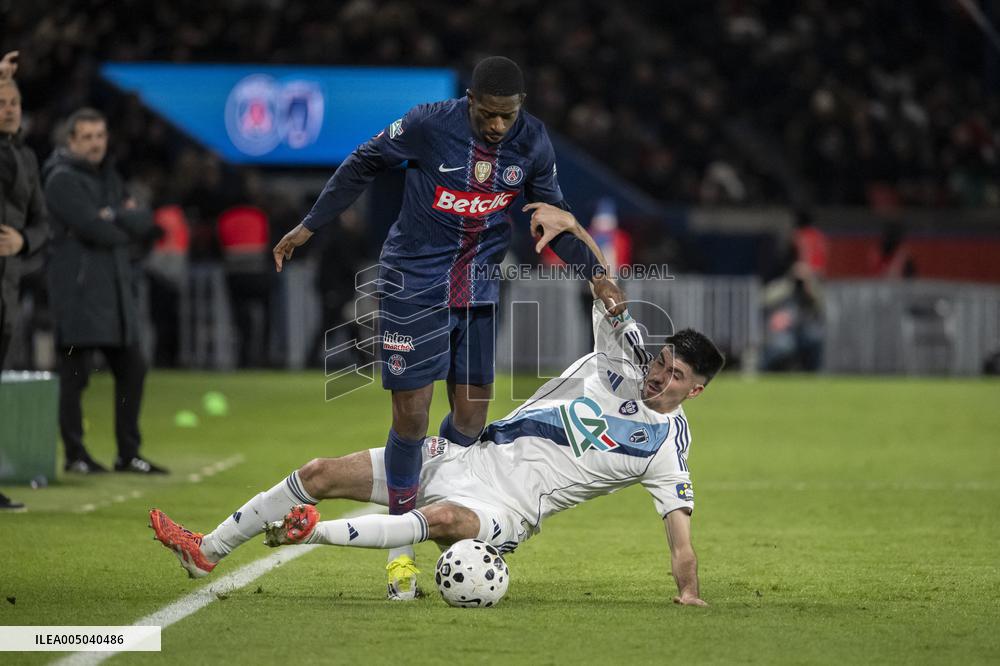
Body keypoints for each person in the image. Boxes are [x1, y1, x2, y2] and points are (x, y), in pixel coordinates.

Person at [149, 263, 724, 606]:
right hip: (465, 455)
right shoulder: (620, 356)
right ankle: (207, 550)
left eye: (676, 377)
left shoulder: (665, 446)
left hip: (507, 512)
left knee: (445, 520)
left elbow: (680, 535)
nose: (660, 377)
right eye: (664, 362)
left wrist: (690, 589)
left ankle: (308, 535)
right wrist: (587, 254)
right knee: (320, 472)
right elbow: (603, 288)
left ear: (694, 392)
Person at [271, 56, 623, 597]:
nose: (498, 126)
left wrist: (596, 276)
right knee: (411, 420)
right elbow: (363, 162)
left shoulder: (534, 142)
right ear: (470, 101)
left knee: (470, 416)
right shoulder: (428, 124)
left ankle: (437, 514)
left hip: (480, 286)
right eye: (488, 114)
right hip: (414, 282)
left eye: (507, 116)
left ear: (520, 107)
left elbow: (554, 217)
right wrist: (309, 225)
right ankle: (400, 554)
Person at [43, 107, 166, 475]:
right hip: (78, 295)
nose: (96, 144)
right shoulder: (60, 180)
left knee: (133, 367)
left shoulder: (109, 177)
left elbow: (144, 221)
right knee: (74, 377)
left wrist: (114, 216)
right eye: (87, 137)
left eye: (100, 136)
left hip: (114, 293)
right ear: (71, 141)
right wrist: (119, 219)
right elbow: (98, 230)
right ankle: (76, 454)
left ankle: (128, 453)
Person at [1, 51, 49, 512]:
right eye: (0, 100)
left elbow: (42, 222)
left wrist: (23, 240)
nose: (9, 107)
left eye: (13, 100)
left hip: (7, 284)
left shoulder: (27, 158)